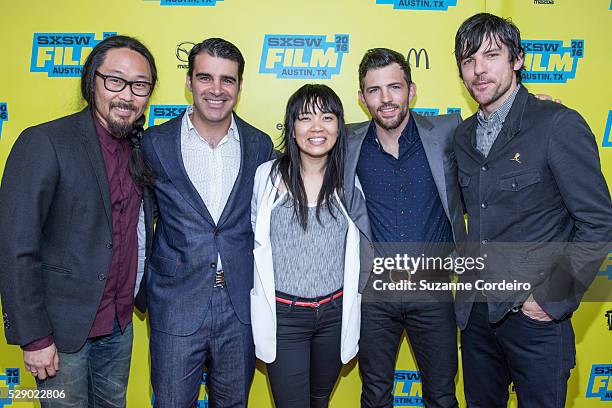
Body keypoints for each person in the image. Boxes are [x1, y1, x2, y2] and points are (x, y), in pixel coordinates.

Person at [453, 13, 612, 407]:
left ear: (518, 60)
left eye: (491, 55)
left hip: (534, 320)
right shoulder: (461, 136)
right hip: (476, 317)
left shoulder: (557, 124)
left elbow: (598, 222)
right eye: (469, 60)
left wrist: (548, 301)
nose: (479, 69)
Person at [0, 35, 157, 407]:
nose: (127, 95)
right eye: (115, 80)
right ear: (92, 81)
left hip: (119, 326)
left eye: (140, 85)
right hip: (60, 331)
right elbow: (14, 245)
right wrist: (34, 337)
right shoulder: (45, 142)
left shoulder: (141, 148)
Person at [142, 37, 274, 407]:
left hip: (240, 304)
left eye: (227, 80)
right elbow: (138, 220)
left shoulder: (260, 145)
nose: (216, 90)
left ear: (240, 86)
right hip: (175, 301)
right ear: (189, 82)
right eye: (205, 78)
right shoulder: (155, 143)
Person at [343, 48, 466, 408]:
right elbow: (301, 146)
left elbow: (498, 131)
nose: (385, 99)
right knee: (375, 394)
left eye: (394, 87)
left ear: (411, 90)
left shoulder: (448, 131)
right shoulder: (347, 142)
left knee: (442, 395)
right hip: (375, 293)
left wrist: (535, 108)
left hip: (434, 290)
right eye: (374, 90)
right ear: (361, 97)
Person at [250, 84, 362, 408]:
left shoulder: (351, 179)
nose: (317, 128)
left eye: (327, 117)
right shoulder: (266, 177)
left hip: (334, 315)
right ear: (292, 126)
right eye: (305, 118)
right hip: (284, 317)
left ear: (339, 126)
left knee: (319, 399)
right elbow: (253, 236)